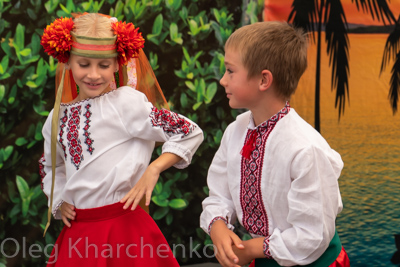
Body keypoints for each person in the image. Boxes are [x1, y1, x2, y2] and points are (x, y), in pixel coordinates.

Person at [39, 13, 203, 266]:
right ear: (67, 61)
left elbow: (188, 130)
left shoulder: (125, 103)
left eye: (103, 65)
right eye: (84, 64)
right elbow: (50, 164)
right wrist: (59, 200)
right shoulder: (57, 118)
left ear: (118, 64)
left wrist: (154, 168)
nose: (93, 74)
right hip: (79, 234)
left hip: (125, 230)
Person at [200, 21, 350, 267]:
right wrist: (217, 224)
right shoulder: (235, 131)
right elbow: (220, 192)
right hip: (261, 257)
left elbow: (312, 234)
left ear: (263, 80)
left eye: (230, 71)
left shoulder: (304, 149)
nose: (223, 81)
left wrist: (250, 249)